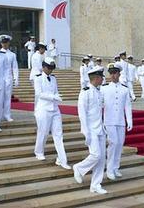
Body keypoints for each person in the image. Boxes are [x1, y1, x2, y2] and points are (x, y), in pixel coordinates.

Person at [73, 66, 107, 194]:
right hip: (91, 129)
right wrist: (85, 131)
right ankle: (79, 168)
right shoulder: (85, 92)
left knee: (102, 158)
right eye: (101, 77)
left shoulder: (99, 92)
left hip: (100, 129)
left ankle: (95, 185)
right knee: (96, 155)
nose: (103, 79)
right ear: (96, 78)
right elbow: (82, 113)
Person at [33, 57, 70, 169]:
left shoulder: (53, 78)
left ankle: (62, 159)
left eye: (52, 68)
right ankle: (39, 152)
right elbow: (39, 94)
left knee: (58, 134)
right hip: (43, 109)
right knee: (43, 132)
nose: (50, 70)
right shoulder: (38, 78)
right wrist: (53, 97)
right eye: (48, 68)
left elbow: (56, 91)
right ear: (43, 67)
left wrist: (57, 96)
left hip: (54, 109)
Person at [102, 63, 133, 180]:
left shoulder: (125, 89)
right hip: (109, 121)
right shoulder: (104, 88)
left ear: (119, 74)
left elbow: (128, 106)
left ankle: (115, 167)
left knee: (120, 144)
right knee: (113, 143)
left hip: (120, 121)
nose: (113, 75)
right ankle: (109, 169)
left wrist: (129, 120)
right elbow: (99, 104)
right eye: (111, 73)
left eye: (115, 73)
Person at [1, 35, 19, 122]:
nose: (5, 44)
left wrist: (16, 78)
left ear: (8, 43)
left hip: (8, 77)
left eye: (6, 42)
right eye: (3, 42)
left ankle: (7, 114)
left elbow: (15, 67)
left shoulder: (12, 54)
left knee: (7, 98)